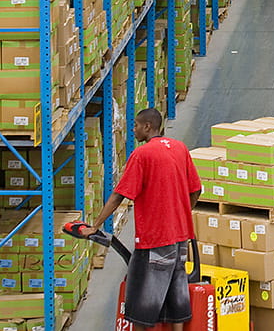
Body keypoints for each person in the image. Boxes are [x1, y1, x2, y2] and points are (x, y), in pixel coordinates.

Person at [79, 108, 202, 331]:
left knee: (141, 304)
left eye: (136, 125)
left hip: (154, 239)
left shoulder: (142, 154)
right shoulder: (180, 148)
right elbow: (196, 189)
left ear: (147, 126)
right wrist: (182, 213)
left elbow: (119, 195)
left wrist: (94, 226)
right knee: (177, 293)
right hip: (181, 236)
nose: (133, 130)